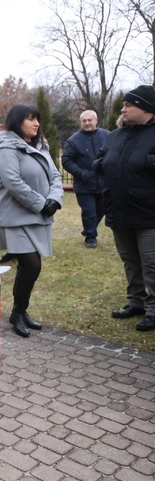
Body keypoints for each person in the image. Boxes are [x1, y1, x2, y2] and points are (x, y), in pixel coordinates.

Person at [0, 105, 63, 337]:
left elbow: (55, 175)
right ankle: (18, 313)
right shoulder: (6, 147)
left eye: (37, 119)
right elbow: (12, 181)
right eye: (31, 119)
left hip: (37, 215)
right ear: (17, 121)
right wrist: (40, 203)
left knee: (30, 267)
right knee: (32, 265)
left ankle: (20, 312)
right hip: (15, 217)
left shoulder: (40, 146)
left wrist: (54, 199)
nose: (36, 124)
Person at [94, 85, 155, 331]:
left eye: (129, 105)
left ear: (147, 109)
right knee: (130, 260)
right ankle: (136, 302)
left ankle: (153, 310)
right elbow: (100, 159)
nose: (123, 109)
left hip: (150, 214)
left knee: (151, 263)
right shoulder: (116, 135)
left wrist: (146, 162)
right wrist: (102, 164)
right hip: (119, 210)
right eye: (124, 105)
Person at [62, 110, 110, 249]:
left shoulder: (107, 136)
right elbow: (66, 160)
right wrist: (81, 173)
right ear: (81, 122)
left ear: (96, 120)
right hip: (84, 183)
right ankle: (90, 237)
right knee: (89, 211)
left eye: (90, 120)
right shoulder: (73, 140)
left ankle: (89, 228)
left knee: (101, 210)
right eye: (84, 121)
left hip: (103, 182)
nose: (87, 123)